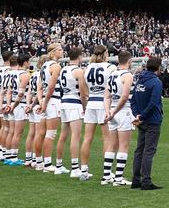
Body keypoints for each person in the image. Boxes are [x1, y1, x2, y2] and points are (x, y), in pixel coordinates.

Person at [80, 45, 116, 181]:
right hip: (103, 103)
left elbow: (84, 92)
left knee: (87, 138)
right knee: (107, 138)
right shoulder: (110, 67)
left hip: (91, 103)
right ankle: (107, 172)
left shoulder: (87, 68)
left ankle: (84, 169)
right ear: (105, 53)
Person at [131, 56, 164, 190]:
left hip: (141, 120)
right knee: (149, 151)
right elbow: (154, 103)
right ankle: (146, 181)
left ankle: (136, 179)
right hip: (151, 120)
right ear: (158, 67)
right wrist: (142, 116)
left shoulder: (140, 80)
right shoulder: (155, 82)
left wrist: (137, 115)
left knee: (139, 150)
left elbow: (133, 100)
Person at [104, 50, 135, 186]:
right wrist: (115, 112)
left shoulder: (112, 74)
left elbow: (106, 96)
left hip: (112, 111)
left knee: (111, 144)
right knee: (123, 145)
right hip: (123, 111)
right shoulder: (127, 75)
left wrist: (108, 112)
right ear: (129, 61)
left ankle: (106, 176)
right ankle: (118, 178)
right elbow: (125, 96)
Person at [58, 47, 88, 178]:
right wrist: (85, 107)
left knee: (63, 135)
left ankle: (58, 165)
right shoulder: (78, 71)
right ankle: (75, 168)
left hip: (64, 102)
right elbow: (82, 93)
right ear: (80, 57)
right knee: (76, 135)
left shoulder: (63, 69)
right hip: (74, 103)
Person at [37, 43, 64, 174]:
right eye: (59, 50)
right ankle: (47, 163)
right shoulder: (55, 66)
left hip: (46, 100)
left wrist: (42, 101)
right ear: (53, 52)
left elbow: (40, 86)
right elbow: (52, 87)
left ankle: (40, 161)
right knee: (51, 134)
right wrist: (45, 102)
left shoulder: (44, 66)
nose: (62, 51)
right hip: (52, 101)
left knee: (43, 133)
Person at [3, 53, 30, 166]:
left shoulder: (11, 73)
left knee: (11, 131)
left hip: (12, 104)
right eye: (28, 61)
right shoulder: (25, 75)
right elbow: (21, 94)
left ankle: (8, 155)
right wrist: (13, 106)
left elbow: (8, 91)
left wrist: (9, 105)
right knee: (17, 133)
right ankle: (13, 157)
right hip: (19, 105)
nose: (29, 64)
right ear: (24, 62)